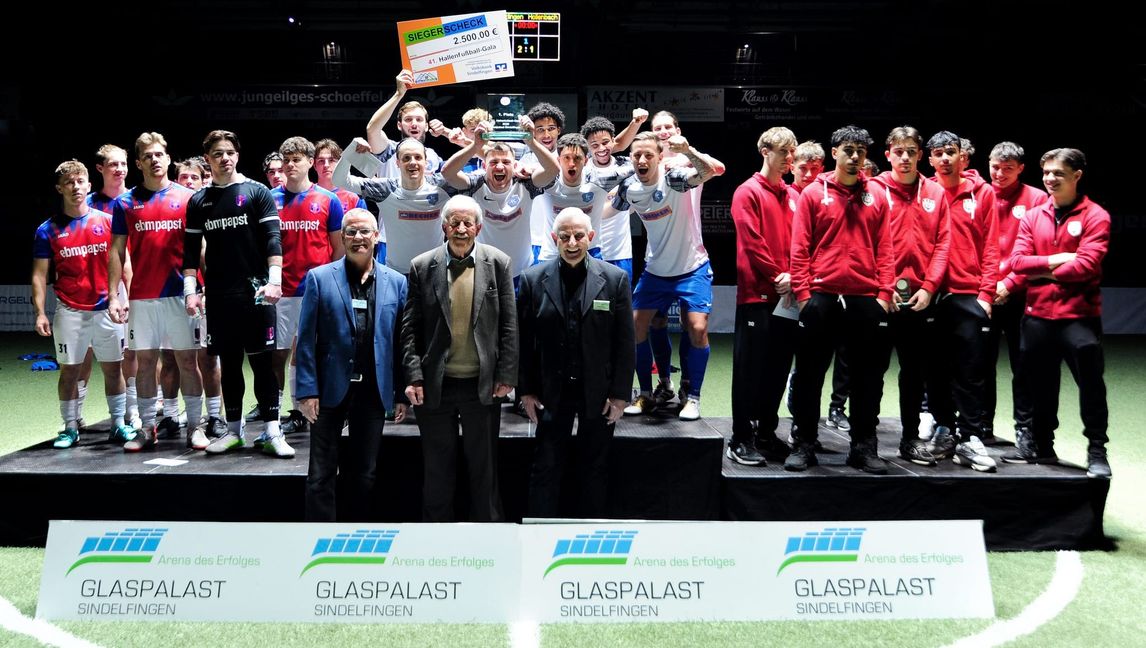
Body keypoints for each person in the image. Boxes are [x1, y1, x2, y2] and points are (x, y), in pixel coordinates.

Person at [402, 195, 518, 522]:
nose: (462, 228)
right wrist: (413, 377)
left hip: (482, 386)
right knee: (437, 469)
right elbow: (410, 328)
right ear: (444, 226)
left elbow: (509, 324)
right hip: (437, 385)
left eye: (468, 223)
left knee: (485, 468)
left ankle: (488, 536)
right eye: (455, 222)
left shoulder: (499, 263)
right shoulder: (422, 266)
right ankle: (437, 539)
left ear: (479, 227)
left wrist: (506, 374)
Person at [784, 125, 893, 474]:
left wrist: (884, 294)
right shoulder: (814, 194)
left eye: (860, 151)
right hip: (821, 297)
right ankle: (803, 444)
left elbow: (886, 248)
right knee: (809, 376)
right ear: (834, 153)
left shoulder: (876, 194)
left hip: (864, 299)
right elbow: (799, 247)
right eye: (848, 149)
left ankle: (863, 446)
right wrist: (804, 295)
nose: (854, 156)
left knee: (867, 379)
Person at [182, 129, 294, 458]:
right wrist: (191, 291)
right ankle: (233, 432)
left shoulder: (257, 192)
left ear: (237, 155)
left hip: (258, 293)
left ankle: (272, 432)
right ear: (208, 159)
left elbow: (273, 239)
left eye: (230, 152)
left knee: (264, 363)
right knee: (229, 364)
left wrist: (274, 280)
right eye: (217, 153)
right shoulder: (199, 201)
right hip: (218, 296)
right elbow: (190, 253)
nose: (225, 158)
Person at [518, 208, 634, 517]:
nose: (572, 242)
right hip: (549, 392)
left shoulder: (615, 279)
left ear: (591, 238)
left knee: (595, 467)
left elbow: (624, 343)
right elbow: (524, 342)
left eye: (579, 236)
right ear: (554, 239)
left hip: (598, 391)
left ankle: (589, 532)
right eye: (565, 236)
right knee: (546, 466)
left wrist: (620, 395)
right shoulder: (532, 280)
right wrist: (526, 391)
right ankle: (539, 535)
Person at [1005, 148, 1111, 478]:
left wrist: (1044, 269)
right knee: (1039, 385)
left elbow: (1086, 266)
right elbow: (1018, 263)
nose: (1050, 179)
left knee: (1091, 386)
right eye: (1046, 173)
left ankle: (1097, 450)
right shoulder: (1033, 216)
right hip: (1037, 316)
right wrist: (1057, 260)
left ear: (1077, 175)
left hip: (1078, 317)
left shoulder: (1096, 216)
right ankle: (1042, 446)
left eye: (1058, 173)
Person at [296, 208, 408, 521]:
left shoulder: (397, 284)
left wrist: (399, 392)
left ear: (376, 237)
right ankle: (318, 537)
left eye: (364, 232)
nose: (358, 238)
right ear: (342, 237)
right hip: (329, 390)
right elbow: (305, 340)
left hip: (374, 390)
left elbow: (401, 343)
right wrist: (306, 391)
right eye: (351, 232)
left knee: (364, 473)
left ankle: (354, 534)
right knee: (320, 474)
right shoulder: (319, 278)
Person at [108, 132, 206, 451]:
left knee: (188, 362)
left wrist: (204, 287)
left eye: (159, 154)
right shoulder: (125, 203)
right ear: (139, 162)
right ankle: (147, 428)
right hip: (142, 297)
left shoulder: (189, 198)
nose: (154, 160)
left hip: (181, 294)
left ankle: (194, 427)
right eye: (147, 156)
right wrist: (113, 295)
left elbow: (201, 247)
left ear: (167, 158)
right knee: (146, 362)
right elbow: (116, 251)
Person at [611, 131, 718, 421]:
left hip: (691, 268)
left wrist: (689, 149)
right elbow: (605, 211)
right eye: (636, 155)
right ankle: (646, 393)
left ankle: (693, 397)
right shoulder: (629, 188)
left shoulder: (675, 180)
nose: (642, 160)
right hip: (656, 271)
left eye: (648, 155)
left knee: (696, 328)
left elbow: (709, 171)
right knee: (636, 327)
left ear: (661, 157)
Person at [32, 160, 132, 448]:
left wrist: (128, 298)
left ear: (89, 185)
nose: (76, 187)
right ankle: (70, 427)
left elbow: (124, 264)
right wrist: (40, 312)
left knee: (114, 368)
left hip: (107, 309)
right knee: (70, 371)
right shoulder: (47, 230)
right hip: (70, 311)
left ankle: (118, 424)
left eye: (80, 181)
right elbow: (39, 275)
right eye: (69, 183)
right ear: (60, 188)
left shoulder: (108, 222)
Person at [869, 126, 951, 466]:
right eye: (898, 151)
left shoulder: (935, 192)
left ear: (920, 155)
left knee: (914, 374)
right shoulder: (872, 189)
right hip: (879, 298)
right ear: (888, 154)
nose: (905, 157)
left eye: (911, 151)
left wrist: (930, 286)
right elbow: (863, 240)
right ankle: (865, 441)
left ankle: (908, 440)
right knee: (870, 373)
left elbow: (944, 242)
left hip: (919, 299)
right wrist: (880, 289)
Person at [726, 127, 801, 466]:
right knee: (749, 370)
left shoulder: (794, 196)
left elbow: (802, 244)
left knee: (777, 368)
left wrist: (794, 278)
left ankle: (767, 434)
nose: (789, 159)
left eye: (792, 153)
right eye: (784, 152)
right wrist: (777, 276)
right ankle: (740, 437)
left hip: (789, 298)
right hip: (757, 296)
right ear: (765, 150)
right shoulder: (747, 192)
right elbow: (753, 243)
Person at [926, 131, 999, 472]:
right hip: (931, 295)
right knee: (936, 369)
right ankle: (943, 429)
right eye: (938, 153)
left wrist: (986, 295)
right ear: (930, 159)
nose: (944, 158)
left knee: (971, 372)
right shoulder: (923, 191)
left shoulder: (981, 193)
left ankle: (970, 436)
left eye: (950, 152)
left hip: (969, 295)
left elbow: (992, 246)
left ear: (962, 156)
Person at [269, 136, 345, 437]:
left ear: (310, 163)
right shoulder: (268, 199)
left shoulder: (329, 200)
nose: (290, 165)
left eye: (297, 159)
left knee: (312, 353)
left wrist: (331, 285)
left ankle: (311, 411)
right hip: (279, 293)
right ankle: (274, 416)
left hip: (316, 293)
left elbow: (338, 249)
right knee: (277, 355)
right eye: (286, 160)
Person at [440, 118, 559, 283]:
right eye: (494, 162)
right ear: (484, 166)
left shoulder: (526, 184)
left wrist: (531, 143)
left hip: (522, 272)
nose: (500, 167)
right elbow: (447, 173)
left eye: (506, 162)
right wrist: (475, 146)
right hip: (484, 273)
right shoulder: (475, 184)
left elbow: (553, 170)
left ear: (515, 165)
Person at [988, 142, 1049, 445]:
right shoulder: (980, 195)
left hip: (1022, 294)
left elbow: (1040, 250)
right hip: (984, 293)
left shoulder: (1038, 199)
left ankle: (1025, 430)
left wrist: (1010, 283)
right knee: (979, 365)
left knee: (1024, 365)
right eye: (995, 167)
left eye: (1007, 169)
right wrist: (987, 285)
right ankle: (980, 427)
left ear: (1021, 169)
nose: (999, 174)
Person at [333, 136, 456, 274]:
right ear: (397, 163)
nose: (412, 162)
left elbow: (479, 179)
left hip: (434, 274)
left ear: (425, 162)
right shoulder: (385, 189)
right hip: (397, 274)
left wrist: (475, 145)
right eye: (406, 158)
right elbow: (340, 180)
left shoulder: (443, 186)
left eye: (418, 157)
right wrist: (351, 151)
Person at [366, 69, 444, 179]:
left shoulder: (433, 156)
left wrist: (446, 132)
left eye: (419, 119)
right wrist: (399, 94)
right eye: (408, 119)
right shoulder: (388, 150)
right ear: (399, 125)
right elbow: (372, 129)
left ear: (426, 126)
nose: (414, 124)